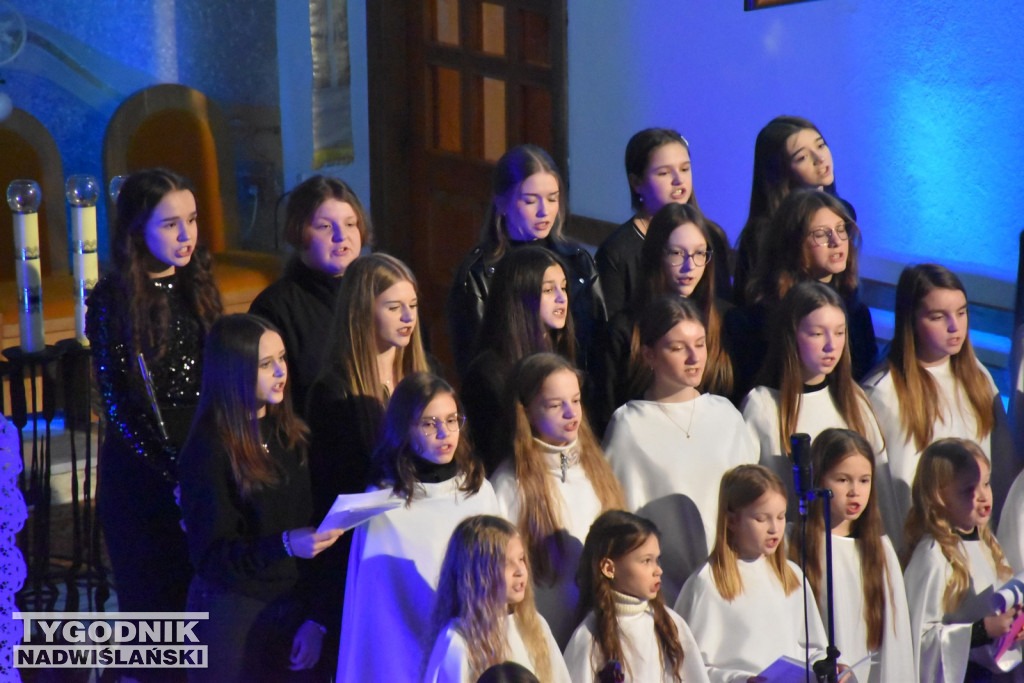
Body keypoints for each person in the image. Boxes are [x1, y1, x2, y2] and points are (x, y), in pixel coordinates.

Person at [86, 168, 222, 629]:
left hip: (198, 459)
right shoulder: (113, 299)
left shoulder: (196, 282)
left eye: (193, 219)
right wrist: (172, 471)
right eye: (170, 224)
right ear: (137, 230)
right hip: (142, 472)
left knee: (202, 603)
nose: (187, 236)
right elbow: (120, 406)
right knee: (154, 609)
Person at [178, 314, 344, 681]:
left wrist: (317, 618)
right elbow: (212, 557)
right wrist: (284, 544)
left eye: (282, 358)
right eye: (266, 364)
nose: (281, 372)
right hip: (233, 613)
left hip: (294, 610)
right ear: (233, 372)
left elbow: (313, 529)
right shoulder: (209, 449)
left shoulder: (292, 435)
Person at [337, 373, 500, 682]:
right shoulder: (382, 506)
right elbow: (376, 618)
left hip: (473, 649)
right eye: (429, 423)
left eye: (452, 420)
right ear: (404, 430)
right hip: (403, 657)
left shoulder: (479, 492)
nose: (444, 432)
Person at [603, 296, 757, 601]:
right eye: (677, 348)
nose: (693, 357)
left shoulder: (725, 415)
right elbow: (620, 512)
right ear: (649, 354)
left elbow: (750, 501)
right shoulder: (630, 425)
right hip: (661, 591)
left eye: (700, 344)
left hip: (727, 585)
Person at [740, 281, 899, 541]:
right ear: (791, 335)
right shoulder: (764, 406)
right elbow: (749, 495)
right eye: (817, 334)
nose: (830, 345)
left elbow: (882, 492)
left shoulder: (855, 401)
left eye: (839, 333)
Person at [864, 263, 1015, 529]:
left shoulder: (977, 377)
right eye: (938, 316)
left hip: (978, 540)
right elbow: (889, 493)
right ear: (911, 319)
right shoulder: (884, 392)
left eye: (961, 312)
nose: (954, 326)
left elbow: (1003, 467)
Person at [490, 352, 625, 646]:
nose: (571, 413)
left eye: (575, 401)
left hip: (599, 628)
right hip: (546, 631)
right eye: (555, 405)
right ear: (525, 412)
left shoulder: (596, 466)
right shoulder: (509, 484)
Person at [448, 144, 606, 377]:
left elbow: (599, 343)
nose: (544, 211)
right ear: (502, 203)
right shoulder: (479, 273)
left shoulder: (577, 261)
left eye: (552, 199)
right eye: (531, 201)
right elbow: (474, 363)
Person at [674, 465, 831, 682]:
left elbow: (812, 648)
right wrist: (741, 680)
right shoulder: (708, 583)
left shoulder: (791, 576)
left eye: (781, 516)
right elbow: (689, 667)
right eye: (761, 519)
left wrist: (827, 668)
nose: (774, 528)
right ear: (731, 520)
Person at [788, 428, 916, 682]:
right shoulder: (794, 542)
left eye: (864, 480)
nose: (855, 491)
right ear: (818, 480)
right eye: (843, 479)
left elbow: (895, 643)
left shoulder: (880, 550)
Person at [249, 175, 371, 417]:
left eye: (350, 224)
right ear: (298, 231)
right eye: (325, 227)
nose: (341, 236)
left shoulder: (377, 293)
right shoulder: (275, 307)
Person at [903, 438, 1024, 681]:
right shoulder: (933, 556)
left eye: (986, 483)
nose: (982, 496)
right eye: (969, 489)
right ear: (939, 497)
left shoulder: (989, 545)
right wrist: (981, 631)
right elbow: (919, 641)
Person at [731, 188, 876, 391]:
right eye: (821, 234)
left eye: (841, 229)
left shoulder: (857, 315)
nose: (836, 242)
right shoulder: (754, 321)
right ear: (792, 244)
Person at [600, 202, 734, 418]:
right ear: (656, 255)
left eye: (699, 253)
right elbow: (607, 412)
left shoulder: (728, 320)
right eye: (677, 253)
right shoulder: (624, 329)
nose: (689, 266)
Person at [462, 246, 576, 473]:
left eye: (563, 288)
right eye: (548, 290)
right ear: (520, 297)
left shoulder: (561, 352)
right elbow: (492, 453)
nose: (562, 299)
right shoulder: (487, 372)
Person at [596, 128, 732, 318]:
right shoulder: (618, 250)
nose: (678, 180)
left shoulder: (712, 235)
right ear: (636, 182)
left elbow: (722, 306)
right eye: (664, 173)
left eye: (685, 169)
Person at [563, 510, 710, 683]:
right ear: (609, 569)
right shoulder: (590, 637)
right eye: (646, 561)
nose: (658, 570)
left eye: (657, 559)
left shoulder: (671, 625)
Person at [423, 515, 571, 683]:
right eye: (506, 563)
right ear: (477, 575)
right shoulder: (457, 643)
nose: (520, 571)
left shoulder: (535, 626)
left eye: (521, 559)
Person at [733, 115, 855, 307]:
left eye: (821, 145)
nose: (820, 159)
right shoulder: (764, 233)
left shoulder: (844, 211)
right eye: (803, 157)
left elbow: (848, 286)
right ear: (780, 171)